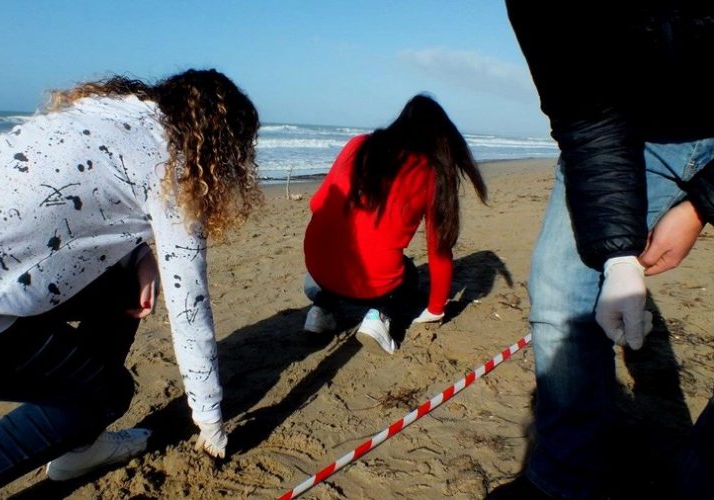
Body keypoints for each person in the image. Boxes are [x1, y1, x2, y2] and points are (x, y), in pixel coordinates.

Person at [0, 69, 262, 499]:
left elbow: (59, 203)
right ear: (218, 147)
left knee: (122, 286)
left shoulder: (101, 109)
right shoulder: (172, 169)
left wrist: (138, 255)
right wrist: (209, 419)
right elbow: (190, 309)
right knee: (107, 394)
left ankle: (79, 446)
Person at [495, 2, 714, 498]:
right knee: (558, 292)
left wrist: (700, 205)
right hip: (631, 132)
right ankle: (564, 481)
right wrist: (616, 258)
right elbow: (586, 113)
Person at [301, 95, 487, 354]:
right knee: (409, 274)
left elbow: (317, 203)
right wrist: (435, 309)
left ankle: (321, 311)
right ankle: (379, 317)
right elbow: (439, 250)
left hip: (317, 268)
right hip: (371, 284)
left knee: (333, 263)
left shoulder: (358, 145)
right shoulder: (430, 174)